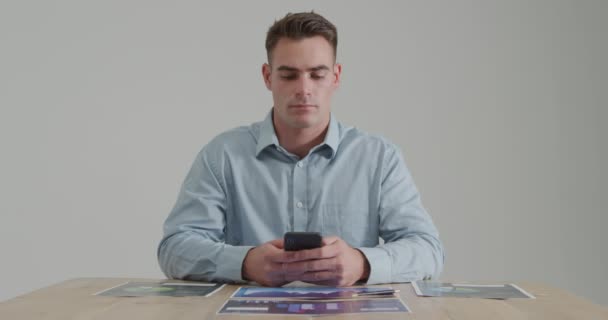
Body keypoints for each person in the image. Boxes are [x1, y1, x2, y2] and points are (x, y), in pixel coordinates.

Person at [158, 11, 444, 287]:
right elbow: (174, 248)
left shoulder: (379, 158)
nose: (304, 89)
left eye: (317, 75)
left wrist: (361, 263)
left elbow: (428, 250)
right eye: (289, 75)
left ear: (336, 76)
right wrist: (244, 262)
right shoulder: (222, 155)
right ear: (268, 77)